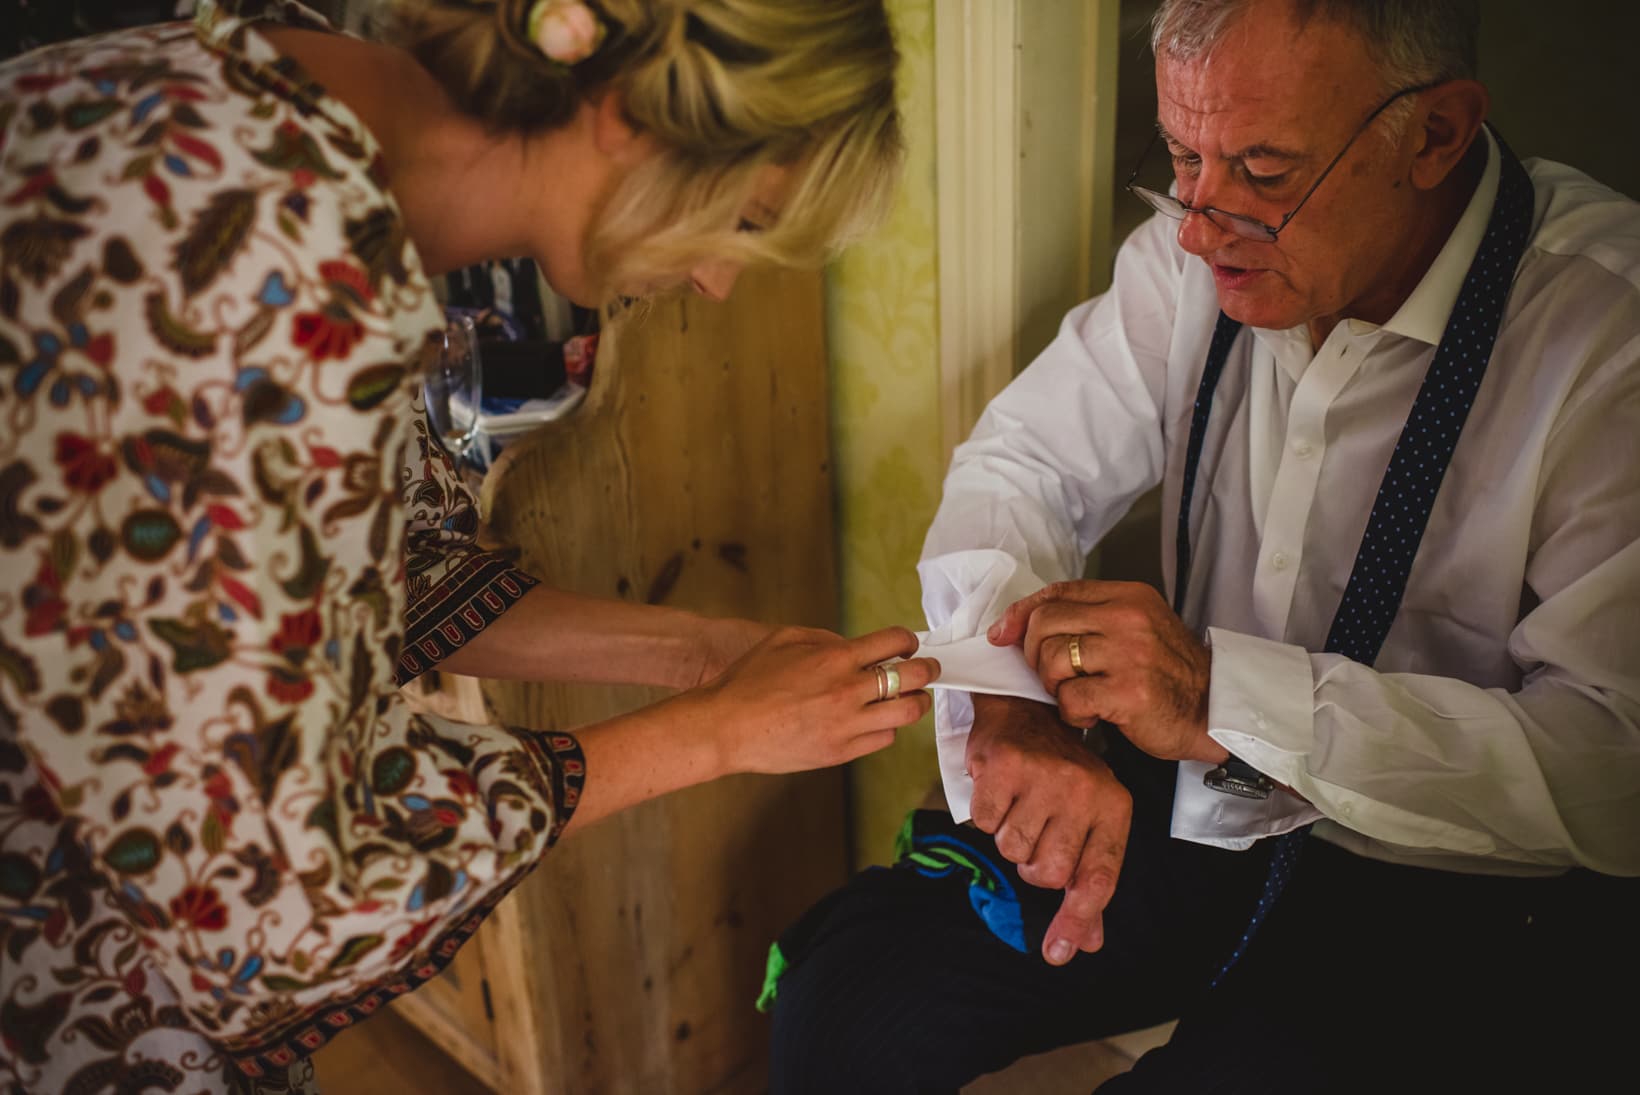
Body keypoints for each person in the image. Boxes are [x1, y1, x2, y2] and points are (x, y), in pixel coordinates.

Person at [0, 1, 939, 1092]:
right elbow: (281, 910)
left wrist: (704, 654)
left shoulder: (269, 103)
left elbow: (396, 571)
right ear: (630, 113)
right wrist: (712, 736)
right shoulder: (289, 272)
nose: (719, 281)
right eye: (741, 221)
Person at [765, 1, 1640, 1091]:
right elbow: (1020, 463)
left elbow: (1613, 766)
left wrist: (1227, 694)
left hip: (1462, 884)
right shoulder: (1190, 261)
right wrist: (1009, 703)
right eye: (1182, 157)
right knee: (844, 1000)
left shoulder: (1610, 343)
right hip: (1194, 805)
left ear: (1434, 134)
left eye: (1264, 171)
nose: (1194, 225)